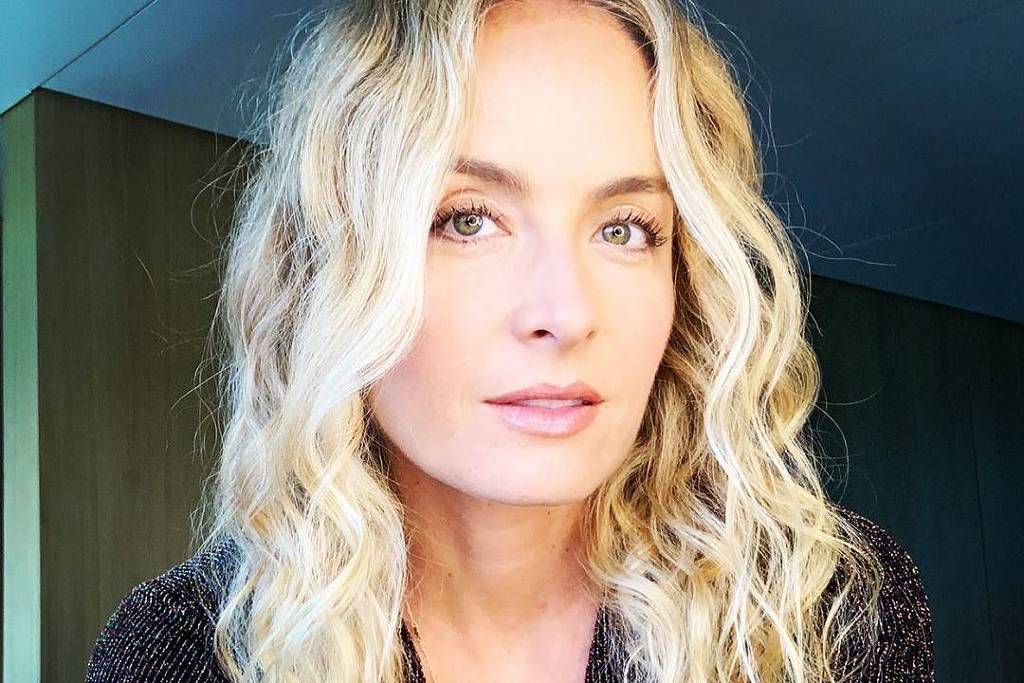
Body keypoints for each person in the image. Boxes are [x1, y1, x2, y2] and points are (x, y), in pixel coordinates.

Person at [85, 0, 935, 681]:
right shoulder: (189, 652)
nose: (566, 312)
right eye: (467, 220)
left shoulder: (825, 611)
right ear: (328, 272)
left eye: (625, 228)